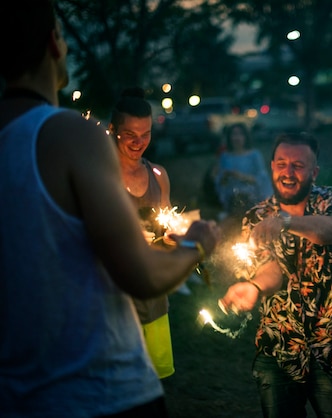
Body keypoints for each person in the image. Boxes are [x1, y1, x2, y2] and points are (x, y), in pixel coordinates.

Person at [0, 1, 220, 417]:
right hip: (97, 387)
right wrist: (198, 245)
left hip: (17, 392)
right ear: (54, 43)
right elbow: (139, 274)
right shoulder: (69, 134)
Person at [219, 133, 332, 418]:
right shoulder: (257, 216)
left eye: (298, 165)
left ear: (314, 172)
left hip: (331, 348)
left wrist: (286, 221)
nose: (288, 172)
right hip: (277, 348)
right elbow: (272, 270)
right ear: (271, 167)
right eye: (282, 163)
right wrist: (255, 287)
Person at [109, 87, 178, 379]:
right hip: (113, 300)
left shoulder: (158, 176)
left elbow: (168, 230)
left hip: (153, 298)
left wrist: (172, 241)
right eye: (130, 134)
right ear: (113, 130)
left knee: (154, 386)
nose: (139, 143)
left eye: (146, 134)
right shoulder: (99, 175)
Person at [213, 122, 273, 223]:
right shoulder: (225, 156)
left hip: (252, 197)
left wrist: (240, 176)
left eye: (240, 134)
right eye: (234, 134)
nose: (237, 138)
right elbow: (220, 183)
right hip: (232, 198)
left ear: (245, 136)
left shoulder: (254, 155)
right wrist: (225, 177)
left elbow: (262, 179)